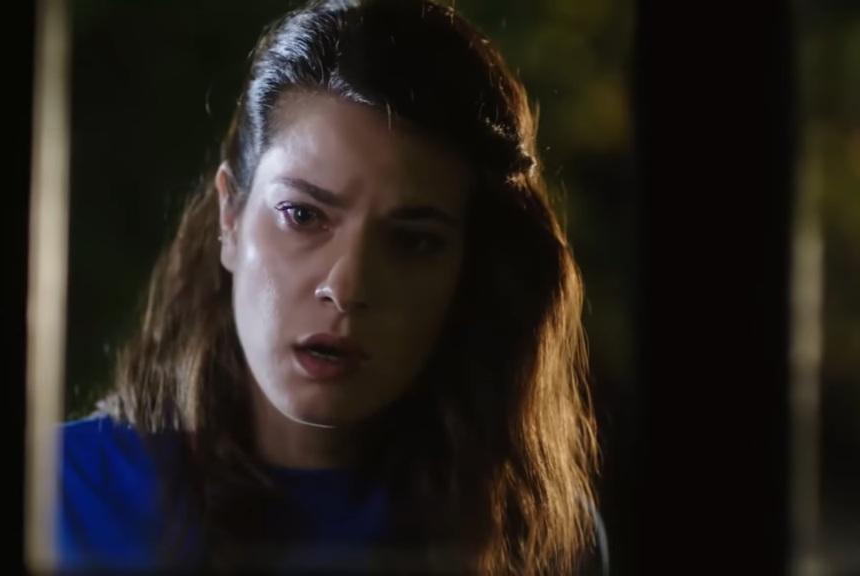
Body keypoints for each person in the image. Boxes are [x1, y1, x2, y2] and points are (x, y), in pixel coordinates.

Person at [57, 0, 606, 573]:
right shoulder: (58, 495)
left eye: (413, 241)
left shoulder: (538, 537)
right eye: (303, 215)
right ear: (231, 217)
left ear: (467, 270)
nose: (345, 287)